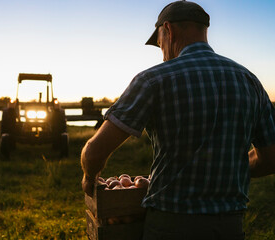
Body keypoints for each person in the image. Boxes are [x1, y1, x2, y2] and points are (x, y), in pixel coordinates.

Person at [80, 0, 275, 239]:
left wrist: (89, 179)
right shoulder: (250, 81)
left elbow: (94, 152)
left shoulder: (153, 80)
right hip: (229, 226)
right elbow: (270, 159)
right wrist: (226, 167)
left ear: (168, 30)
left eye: (160, 43)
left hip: (169, 225)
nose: (162, 53)